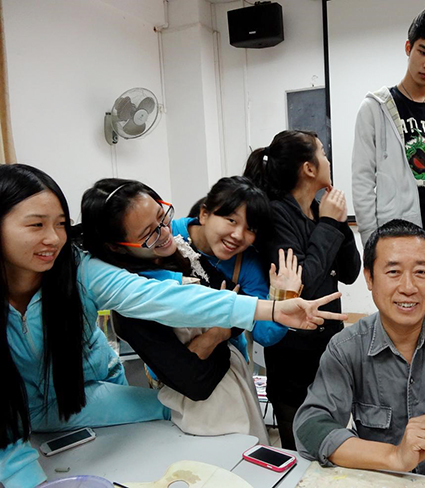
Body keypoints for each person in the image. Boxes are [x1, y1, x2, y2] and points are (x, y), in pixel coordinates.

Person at [0, 164, 345, 488]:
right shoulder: (138, 281)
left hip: (84, 392)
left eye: (61, 224)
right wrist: (254, 315)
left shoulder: (82, 268)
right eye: (36, 225)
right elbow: (169, 314)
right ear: (204, 214)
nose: (54, 238)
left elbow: (169, 300)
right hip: (29, 411)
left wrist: (268, 309)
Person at [80, 176, 301, 440]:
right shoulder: (134, 302)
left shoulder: (181, 250)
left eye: (162, 217)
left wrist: (217, 334)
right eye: (148, 234)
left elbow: (238, 317)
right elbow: (195, 382)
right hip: (205, 411)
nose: (164, 232)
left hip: (235, 383)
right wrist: (225, 328)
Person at [293, 219, 425, 485]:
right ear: (369, 278)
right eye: (393, 272)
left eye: (421, 272)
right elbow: (310, 426)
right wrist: (394, 456)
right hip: (386, 480)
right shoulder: (347, 347)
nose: (408, 287)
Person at [245, 129, 361, 449]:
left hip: (327, 349)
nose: (327, 160)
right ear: (308, 168)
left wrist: (337, 222)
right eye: (322, 152)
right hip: (293, 358)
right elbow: (301, 287)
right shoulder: (277, 214)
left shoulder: (319, 209)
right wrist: (328, 224)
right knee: (299, 451)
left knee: (332, 444)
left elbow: (351, 272)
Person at [351, 6, 425, 245]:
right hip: (394, 234)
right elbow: (362, 181)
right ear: (408, 48)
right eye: (423, 52)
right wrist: (371, 242)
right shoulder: (375, 108)